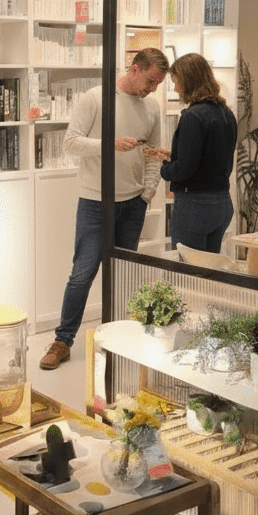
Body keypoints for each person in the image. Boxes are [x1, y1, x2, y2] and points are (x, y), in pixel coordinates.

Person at [40, 47, 169, 370]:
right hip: (95, 202)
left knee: (123, 275)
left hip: (133, 203)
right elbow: (71, 143)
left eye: (158, 84)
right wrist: (109, 144)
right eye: (150, 80)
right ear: (135, 69)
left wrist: (147, 193)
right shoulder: (95, 98)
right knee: (82, 274)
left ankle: (119, 338)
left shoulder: (152, 108)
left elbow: (153, 155)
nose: (152, 88)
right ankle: (62, 341)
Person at [148, 52, 238, 254]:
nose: (175, 88)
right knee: (208, 267)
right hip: (222, 202)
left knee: (186, 268)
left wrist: (163, 168)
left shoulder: (193, 116)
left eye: (176, 82)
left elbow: (184, 169)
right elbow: (213, 156)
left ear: (187, 81)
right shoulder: (226, 113)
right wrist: (174, 154)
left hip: (195, 206)